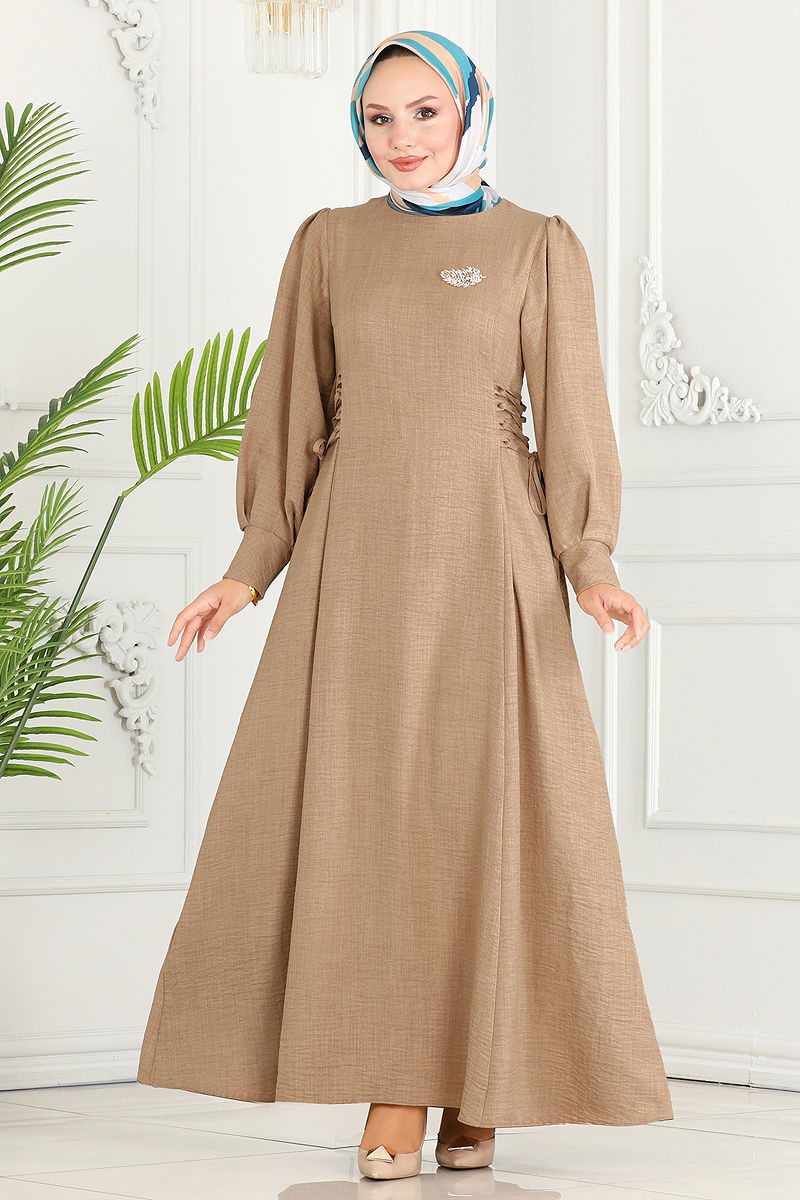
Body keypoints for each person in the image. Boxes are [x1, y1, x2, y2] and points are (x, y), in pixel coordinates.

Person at [136, 29, 673, 1183]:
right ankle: (399, 1082)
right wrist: (249, 567)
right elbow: (290, 414)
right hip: (355, 570)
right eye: (379, 118)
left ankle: (479, 1087)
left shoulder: (535, 245)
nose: (401, 138)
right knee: (375, 824)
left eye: (424, 113)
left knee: (487, 821)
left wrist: (591, 566)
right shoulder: (328, 244)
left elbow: (570, 418)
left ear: (469, 112)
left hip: (491, 565)